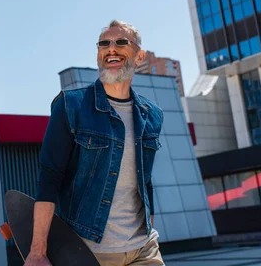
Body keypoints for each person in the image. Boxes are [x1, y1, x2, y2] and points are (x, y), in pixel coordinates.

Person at [24, 20, 165, 266]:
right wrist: (38, 252)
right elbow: (49, 180)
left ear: (139, 56)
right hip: (88, 251)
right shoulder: (71, 106)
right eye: (104, 44)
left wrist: (150, 231)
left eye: (121, 42)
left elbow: (146, 182)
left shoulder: (151, 114)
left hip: (143, 248)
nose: (111, 49)